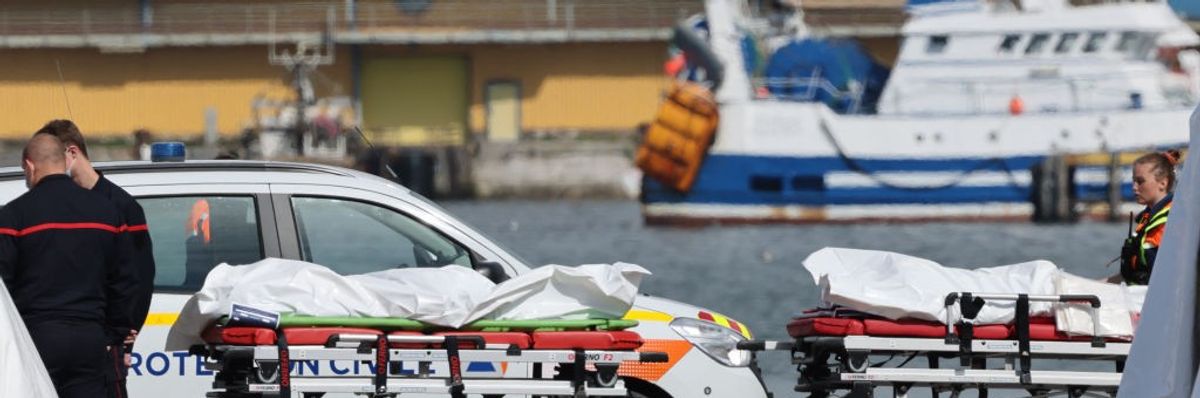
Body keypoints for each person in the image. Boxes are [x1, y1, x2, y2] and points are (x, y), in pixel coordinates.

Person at [0, 134, 137, 397]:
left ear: (29, 166)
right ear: (66, 161)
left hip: (34, 339)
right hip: (90, 339)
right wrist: (113, 334)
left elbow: (2, 285)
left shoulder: (13, 216)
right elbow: (126, 281)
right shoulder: (108, 212)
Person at [37, 119, 156, 398]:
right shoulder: (57, 207)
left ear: (72, 153)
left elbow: (140, 278)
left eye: (51, 159)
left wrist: (122, 337)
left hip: (105, 346)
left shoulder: (121, 206)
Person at [1107, 150, 1181, 285]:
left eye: (1140, 181)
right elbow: (1130, 277)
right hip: (1133, 296)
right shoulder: (1147, 219)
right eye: (1133, 181)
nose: (1134, 187)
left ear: (1163, 183)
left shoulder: (1172, 221)